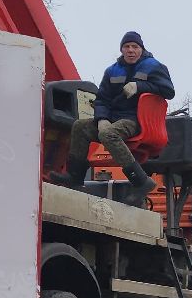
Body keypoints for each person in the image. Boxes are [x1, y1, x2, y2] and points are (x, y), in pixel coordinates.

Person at [62, 31, 174, 202]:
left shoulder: (154, 67)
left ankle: (141, 181)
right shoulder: (112, 71)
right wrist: (102, 119)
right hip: (113, 118)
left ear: (141, 49)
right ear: (121, 50)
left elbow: (168, 91)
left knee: (108, 134)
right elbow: (102, 99)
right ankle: (74, 177)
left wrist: (140, 86)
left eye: (134, 47)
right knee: (80, 126)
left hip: (137, 119)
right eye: (126, 47)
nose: (130, 50)